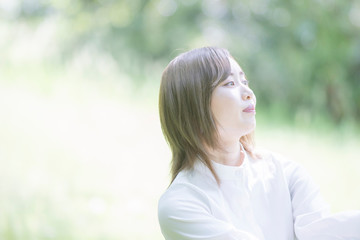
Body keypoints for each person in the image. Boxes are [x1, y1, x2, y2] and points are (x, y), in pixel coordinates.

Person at [157, 47, 360, 240]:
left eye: (245, 81)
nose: (248, 93)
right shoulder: (180, 205)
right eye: (230, 83)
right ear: (193, 106)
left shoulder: (285, 173)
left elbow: (321, 233)